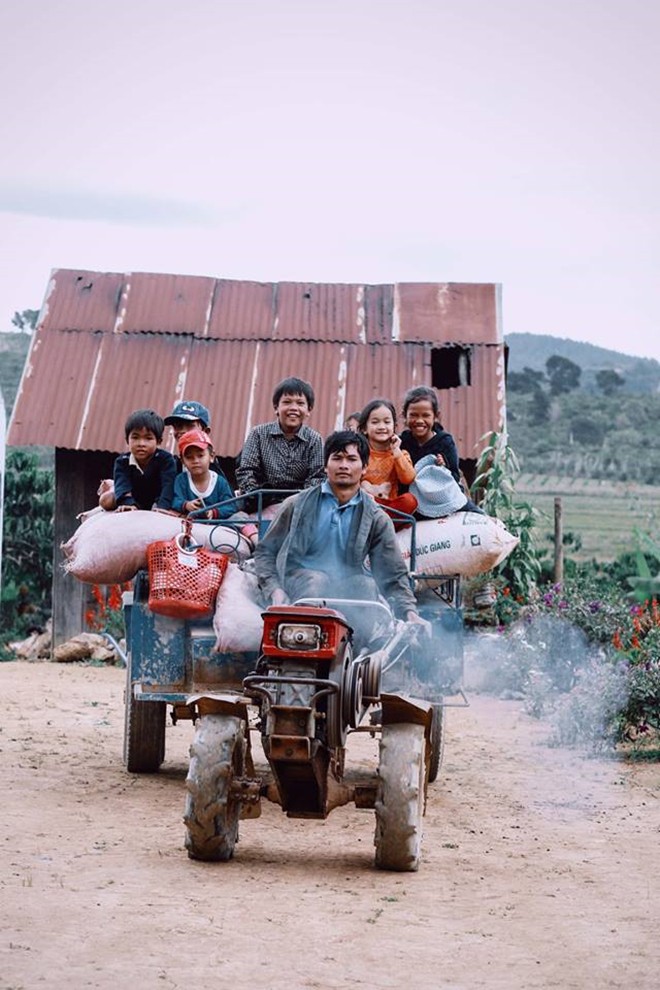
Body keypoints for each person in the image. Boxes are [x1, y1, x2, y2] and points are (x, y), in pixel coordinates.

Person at [253, 430, 427, 632]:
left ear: (364, 468)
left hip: (347, 586)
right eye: (337, 458)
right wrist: (274, 590)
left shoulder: (376, 518)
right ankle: (301, 643)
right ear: (326, 466)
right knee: (316, 580)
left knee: (366, 586)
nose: (344, 465)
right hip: (300, 582)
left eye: (352, 459)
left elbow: (393, 573)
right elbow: (265, 551)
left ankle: (357, 653)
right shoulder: (297, 505)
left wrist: (410, 613)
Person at [236, 376, 324, 506]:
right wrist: (258, 496)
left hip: (300, 505)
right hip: (260, 502)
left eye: (300, 403)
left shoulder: (315, 440)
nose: (294, 408)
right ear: (276, 407)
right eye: (287, 402)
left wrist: (294, 502)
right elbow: (246, 471)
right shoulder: (258, 434)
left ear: (308, 410)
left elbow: (317, 478)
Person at [399, 386, 484, 514]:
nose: (419, 421)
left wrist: (443, 467)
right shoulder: (402, 442)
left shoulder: (444, 442)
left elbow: (454, 476)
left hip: (443, 497)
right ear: (405, 415)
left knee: (477, 515)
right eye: (413, 415)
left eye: (426, 415)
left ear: (436, 416)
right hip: (413, 499)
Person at [99, 409, 176, 512]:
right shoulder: (122, 461)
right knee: (105, 501)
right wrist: (128, 503)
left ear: (158, 442)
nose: (141, 444)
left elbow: (168, 486)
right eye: (135, 438)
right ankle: (112, 488)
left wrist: (162, 507)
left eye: (148, 438)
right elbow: (123, 484)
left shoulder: (166, 460)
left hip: (155, 498)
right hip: (133, 496)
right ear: (127, 440)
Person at [357, 398, 418, 520]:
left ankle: (381, 525)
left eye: (386, 422)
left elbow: (408, 478)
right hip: (364, 504)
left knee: (410, 501)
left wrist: (396, 451)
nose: (381, 427)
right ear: (364, 428)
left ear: (394, 427)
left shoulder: (400, 453)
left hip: (388, 508)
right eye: (375, 422)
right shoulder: (359, 453)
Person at [172, 429, 236, 518]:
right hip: (189, 522)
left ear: (212, 456)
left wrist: (214, 512)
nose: (195, 461)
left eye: (200, 456)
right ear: (183, 461)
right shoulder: (181, 480)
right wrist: (186, 505)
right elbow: (175, 500)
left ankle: (252, 532)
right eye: (189, 457)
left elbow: (230, 506)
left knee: (239, 517)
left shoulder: (220, 482)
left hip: (216, 525)